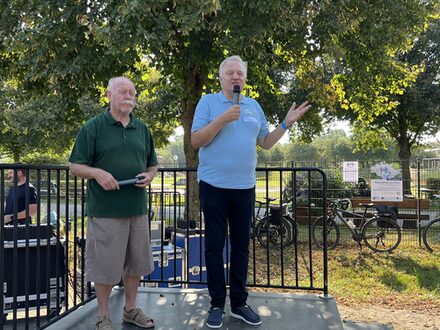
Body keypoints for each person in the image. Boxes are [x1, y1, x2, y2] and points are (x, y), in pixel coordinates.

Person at [191, 55, 311, 328]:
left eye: (239, 74)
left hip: (244, 187)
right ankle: (216, 305)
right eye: (230, 73)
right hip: (213, 186)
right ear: (221, 78)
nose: (235, 77)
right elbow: (196, 140)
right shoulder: (208, 102)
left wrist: (286, 124)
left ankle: (239, 303)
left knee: (242, 247)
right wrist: (222, 119)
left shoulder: (254, 106)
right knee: (213, 246)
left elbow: (266, 143)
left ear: (244, 79)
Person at [69, 77, 158, 330]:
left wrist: (150, 176)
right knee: (106, 265)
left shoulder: (142, 128)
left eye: (132, 92)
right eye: (123, 91)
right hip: (106, 210)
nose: (129, 95)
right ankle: (103, 315)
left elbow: (153, 165)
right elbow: (75, 166)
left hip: (137, 209)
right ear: (109, 95)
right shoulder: (94, 127)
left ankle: (130, 310)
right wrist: (98, 173)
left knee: (135, 264)